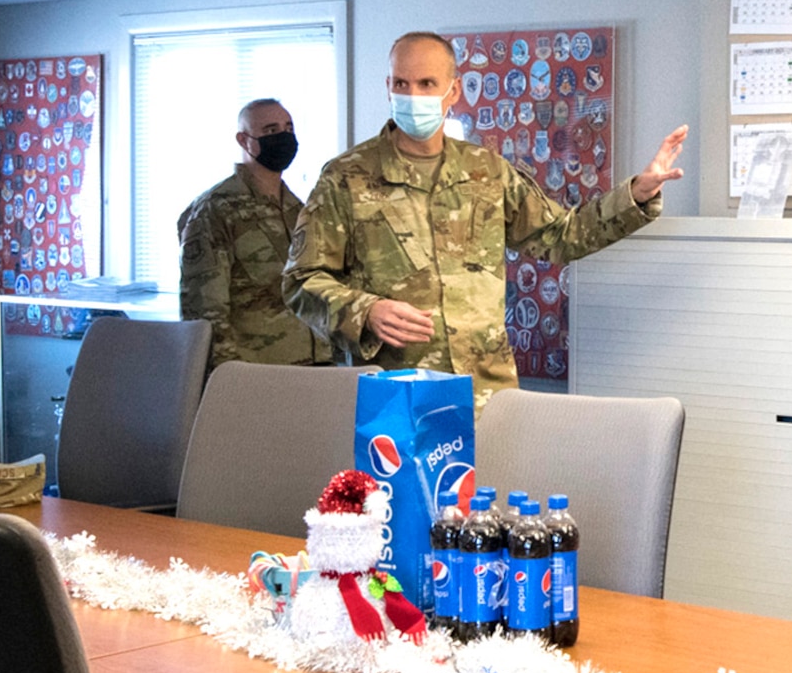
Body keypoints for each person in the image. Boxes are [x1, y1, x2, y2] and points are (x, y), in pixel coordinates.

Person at [285, 32, 686, 407]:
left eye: (426, 84)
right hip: (399, 395)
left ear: (453, 90)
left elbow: (562, 235)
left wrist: (637, 194)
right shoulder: (347, 177)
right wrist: (365, 311)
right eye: (401, 84)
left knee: (491, 485)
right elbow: (302, 280)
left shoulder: (486, 171)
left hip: (486, 394)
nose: (412, 95)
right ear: (387, 86)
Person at [179, 97, 326, 369]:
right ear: (244, 140)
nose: (283, 137)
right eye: (271, 131)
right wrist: (227, 377)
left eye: (289, 128)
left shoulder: (298, 209)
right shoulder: (216, 209)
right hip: (253, 371)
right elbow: (205, 311)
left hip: (311, 366)